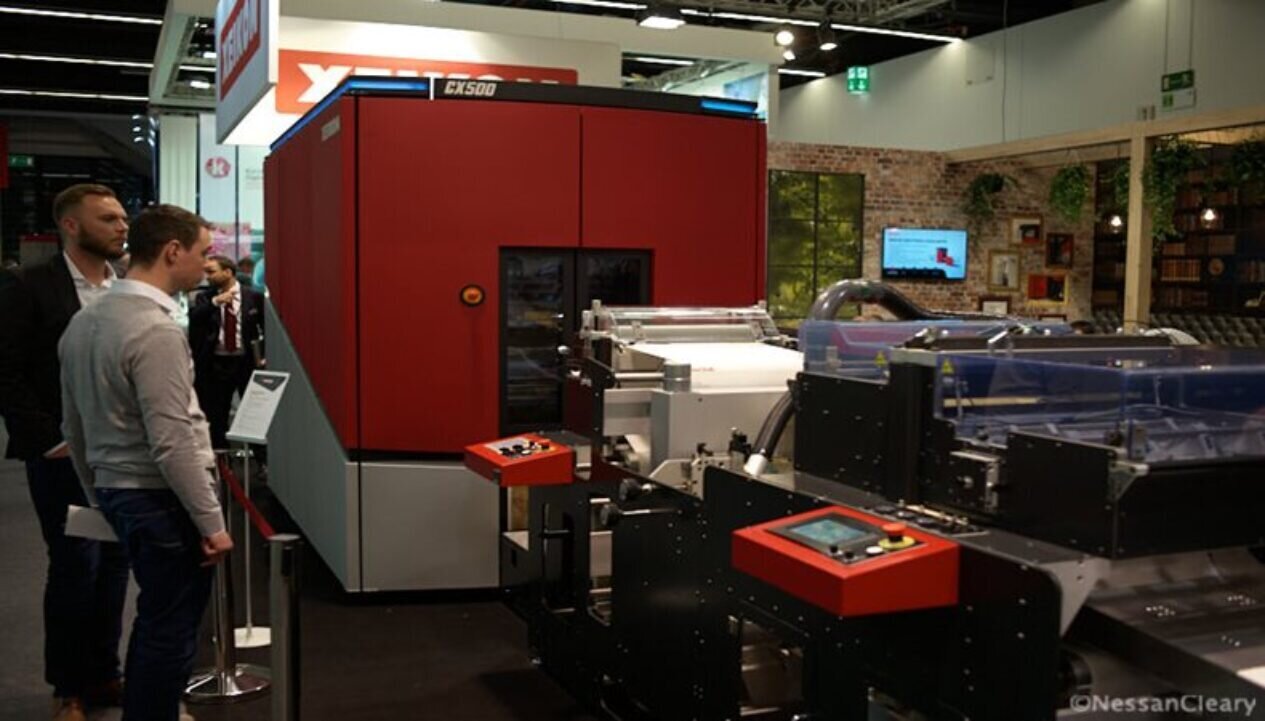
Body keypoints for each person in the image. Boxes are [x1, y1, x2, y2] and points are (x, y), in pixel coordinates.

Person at [60, 204, 232, 721]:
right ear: (172, 251)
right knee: (171, 628)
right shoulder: (155, 330)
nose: (207, 264)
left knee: (157, 618)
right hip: (161, 499)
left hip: (120, 492)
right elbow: (172, 440)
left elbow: (74, 429)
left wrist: (99, 496)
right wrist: (212, 522)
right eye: (202, 252)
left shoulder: (82, 323)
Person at [0, 184, 131, 721]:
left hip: (122, 455)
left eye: (122, 217)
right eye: (108, 219)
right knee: (76, 564)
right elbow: (6, 371)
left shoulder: (126, 287)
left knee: (117, 562)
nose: (122, 226)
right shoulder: (31, 286)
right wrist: (47, 439)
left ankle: (104, 673)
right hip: (62, 456)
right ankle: (68, 686)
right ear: (71, 226)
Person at [189, 255, 265, 448]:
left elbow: (265, 327)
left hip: (246, 362)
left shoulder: (253, 297)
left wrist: (263, 356)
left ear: (228, 272)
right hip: (216, 364)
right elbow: (195, 319)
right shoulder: (205, 297)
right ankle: (222, 457)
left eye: (211, 272)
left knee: (254, 414)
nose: (208, 277)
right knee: (216, 415)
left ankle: (259, 458)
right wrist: (215, 302)